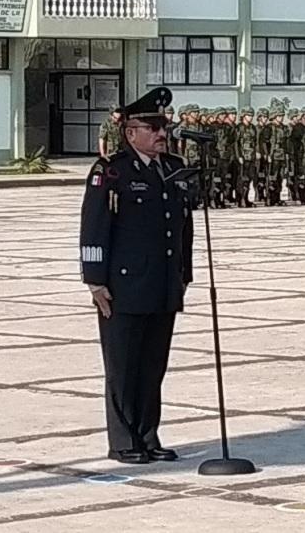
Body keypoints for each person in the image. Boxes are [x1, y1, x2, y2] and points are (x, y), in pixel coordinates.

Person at [79, 86, 194, 465]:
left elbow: (183, 227)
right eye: (152, 128)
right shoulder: (111, 170)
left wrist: (184, 274)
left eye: (163, 127)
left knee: (153, 366)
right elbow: (94, 227)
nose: (162, 134)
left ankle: (148, 435)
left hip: (163, 284)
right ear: (131, 133)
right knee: (123, 368)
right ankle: (123, 441)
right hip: (124, 286)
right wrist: (95, 280)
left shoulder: (173, 167)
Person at [265, 108, 289, 206]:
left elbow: (286, 142)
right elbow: (264, 142)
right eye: (279, 116)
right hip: (273, 155)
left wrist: (287, 154)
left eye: (282, 116)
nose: (281, 118)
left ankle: (277, 197)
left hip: (282, 155)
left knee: (280, 177)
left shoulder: (284, 128)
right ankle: (270, 198)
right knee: (272, 178)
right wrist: (267, 154)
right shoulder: (269, 128)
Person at [235, 107, 258, 207]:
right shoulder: (239, 128)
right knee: (242, 179)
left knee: (250, 178)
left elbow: (255, 142)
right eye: (248, 115)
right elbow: (236, 143)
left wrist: (256, 153)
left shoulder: (253, 128)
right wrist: (238, 156)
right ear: (243, 116)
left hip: (251, 156)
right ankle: (240, 199)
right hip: (243, 157)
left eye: (251, 115)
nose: (250, 117)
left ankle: (246, 198)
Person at [254, 107, 270, 203]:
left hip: (266, 155)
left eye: (266, 117)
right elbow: (255, 142)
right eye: (263, 117)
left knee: (265, 175)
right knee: (258, 175)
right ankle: (258, 194)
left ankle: (264, 193)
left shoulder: (267, 129)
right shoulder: (256, 129)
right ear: (259, 117)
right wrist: (257, 152)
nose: (265, 119)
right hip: (258, 155)